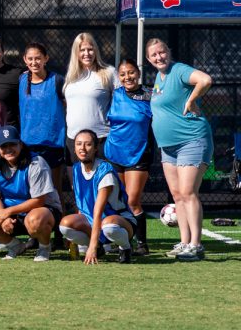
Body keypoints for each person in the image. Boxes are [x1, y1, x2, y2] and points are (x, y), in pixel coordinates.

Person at [146, 37, 214, 262]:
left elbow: (205, 79)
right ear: (149, 59)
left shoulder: (179, 70)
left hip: (192, 141)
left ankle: (196, 245)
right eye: (154, 55)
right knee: (177, 195)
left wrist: (192, 100)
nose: (159, 57)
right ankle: (185, 242)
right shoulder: (159, 78)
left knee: (188, 192)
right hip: (168, 148)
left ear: (169, 52)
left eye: (162, 52)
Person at [0, 125, 63, 261]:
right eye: (4, 146)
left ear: (20, 144)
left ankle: (44, 247)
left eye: (12, 144)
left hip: (43, 210)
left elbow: (39, 200)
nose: (8, 149)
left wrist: (8, 212)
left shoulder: (36, 163)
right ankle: (16, 246)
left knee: (34, 221)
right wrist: (3, 217)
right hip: (12, 212)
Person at [58, 129, 135, 264]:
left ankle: (125, 247)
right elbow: (82, 205)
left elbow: (98, 212)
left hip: (119, 221)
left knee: (109, 226)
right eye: (78, 144)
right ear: (74, 148)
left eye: (87, 144)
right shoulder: (76, 169)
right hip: (94, 221)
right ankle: (100, 248)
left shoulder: (105, 171)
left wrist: (91, 246)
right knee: (65, 225)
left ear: (95, 148)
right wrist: (73, 241)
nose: (83, 148)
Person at [103, 57, 155, 256]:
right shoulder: (114, 95)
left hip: (138, 154)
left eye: (131, 72)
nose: (127, 77)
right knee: (119, 202)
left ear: (138, 73)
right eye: (123, 74)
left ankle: (142, 243)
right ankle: (123, 241)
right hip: (114, 153)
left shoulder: (150, 95)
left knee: (133, 201)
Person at [64, 33, 119, 168]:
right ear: (76, 53)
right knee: (77, 187)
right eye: (82, 50)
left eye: (90, 49)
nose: (86, 53)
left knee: (105, 185)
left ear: (96, 50)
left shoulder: (109, 72)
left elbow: (122, 101)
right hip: (73, 141)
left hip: (101, 140)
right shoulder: (70, 76)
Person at [18, 42, 67, 186]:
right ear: (25, 60)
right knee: (32, 188)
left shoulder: (57, 80)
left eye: (38, 58)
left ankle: (59, 210)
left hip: (52, 143)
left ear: (46, 58)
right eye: (30, 59)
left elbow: (67, 106)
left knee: (54, 189)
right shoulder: (21, 79)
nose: (34, 62)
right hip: (28, 144)